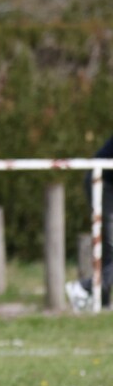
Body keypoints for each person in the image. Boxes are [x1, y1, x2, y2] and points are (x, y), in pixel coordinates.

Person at [66, 133, 113, 312]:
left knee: (109, 251)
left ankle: (101, 301)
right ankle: (84, 288)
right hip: (103, 183)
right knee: (110, 248)